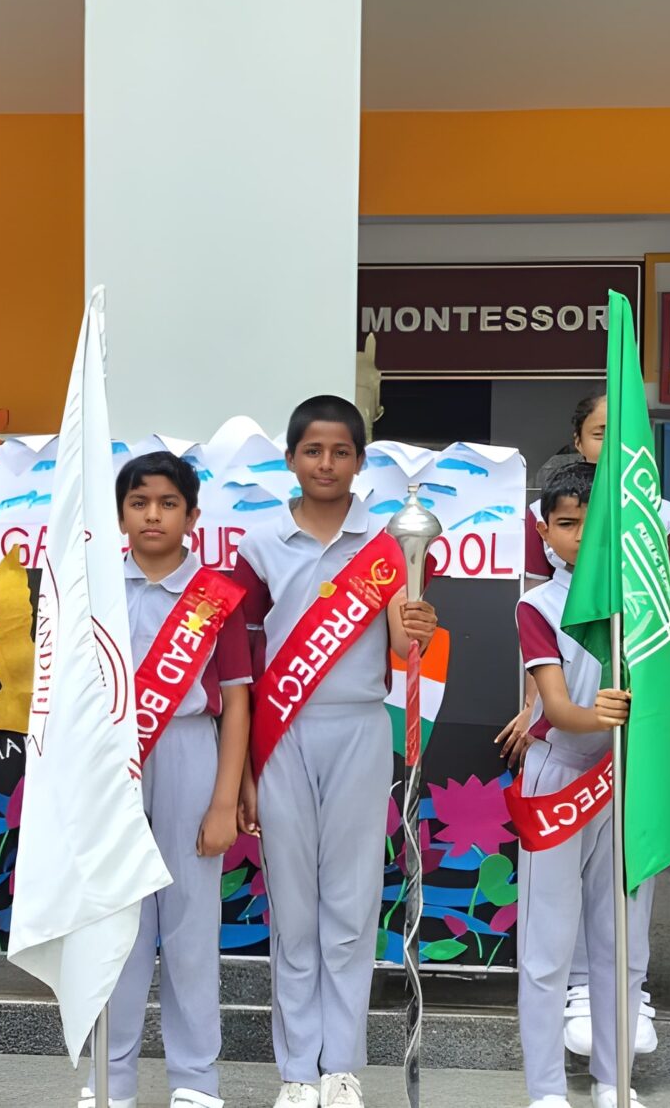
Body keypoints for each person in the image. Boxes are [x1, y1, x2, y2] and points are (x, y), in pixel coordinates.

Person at [231, 395, 439, 1108]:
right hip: (279, 732)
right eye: (312, 451)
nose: (326, 464)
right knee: (294, 910)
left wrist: (418, 623)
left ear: (359, 460)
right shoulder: (258, 547)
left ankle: (341, 1066)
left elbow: (405, 645)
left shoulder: (386, 547)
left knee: (351, 907)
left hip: (357, 728)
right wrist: (247, 771)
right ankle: (296, 1070)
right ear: (290, 459)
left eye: (341, 451)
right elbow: (240, 659)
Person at [505, 392, 670, 1059]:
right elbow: (550, 667)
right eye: (597, 432)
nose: (581, 533)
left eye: (622, 435)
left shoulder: (659, 534)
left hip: (625, 762)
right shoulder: (543, 583)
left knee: (624, 905)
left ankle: (620, 1026)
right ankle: (558, 1049)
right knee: (553, 916)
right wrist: (546, 709)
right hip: (565, 757)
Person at [80, 451, 255, 1108]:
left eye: (167, 503)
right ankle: (110, 1079)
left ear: (193, 515)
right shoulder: (93, 588)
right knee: (115, 923)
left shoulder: (219, 597)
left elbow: (236, 700)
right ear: (120, 513)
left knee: (189, 928)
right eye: (138, 502)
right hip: (110, 761)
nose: (152, 515)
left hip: (189, 750)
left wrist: (222, 801)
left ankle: (194, 1081)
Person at [512, 465, 648, 1108]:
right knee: (547, 943)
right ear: (544, 532)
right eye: (567, 523)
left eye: (596, 523)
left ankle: (613, 1081)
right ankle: (545, 1090)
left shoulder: (642, 600)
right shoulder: (537, 605)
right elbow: (559, 709)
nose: (583, 535)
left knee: (622, 939)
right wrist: (607, 717)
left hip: (627, 781)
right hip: (560, 779)